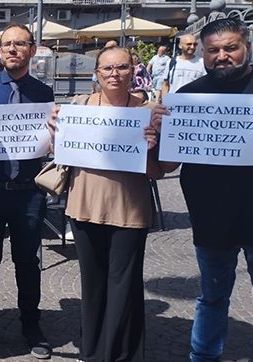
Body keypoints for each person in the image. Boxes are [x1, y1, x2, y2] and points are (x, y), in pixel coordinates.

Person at [152, 18, 253, 362]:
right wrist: (156, 136)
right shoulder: (187, 97)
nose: (222, 56)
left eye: (230, 48)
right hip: (211, 217)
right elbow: (168, 166)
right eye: (213, 50)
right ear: (202, 53)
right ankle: (203, 357)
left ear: (247, 47)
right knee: (212, 297)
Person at [48, 46, 162, 362]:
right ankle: (94, 351)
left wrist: (151, 147)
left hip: (130, 209)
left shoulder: (149, 111)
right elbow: (61, 152)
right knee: (93, 285)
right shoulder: (78, 105)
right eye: (107, 69)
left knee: (124, 287)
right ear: (96, 74)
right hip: (84, 207)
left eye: (122, 67)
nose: (115, 74)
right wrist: (54, 129)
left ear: (133, 71)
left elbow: (160, 171)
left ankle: (121, 354)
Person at [0, 23, 53, 359]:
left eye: (21, 44)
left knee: (27, 261)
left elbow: (49, 140)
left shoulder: (44, 93)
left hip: (29, 192)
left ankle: (31, 324)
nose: (14, 49)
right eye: (8, 44)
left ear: (32, 50)